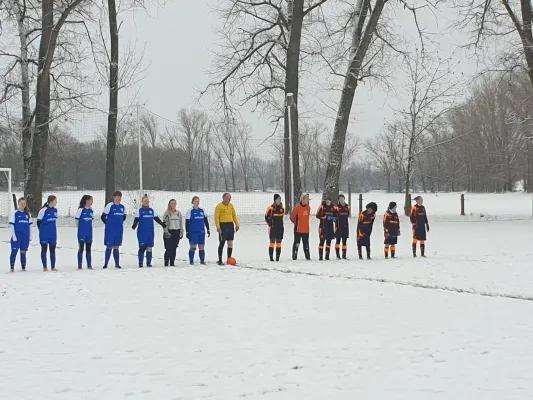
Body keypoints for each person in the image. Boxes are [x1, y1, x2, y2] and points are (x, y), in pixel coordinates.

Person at [132, 195, 166, 268]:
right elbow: (136, 219)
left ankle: (148, 263)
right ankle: (140, 263)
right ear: (142, 202)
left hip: (150, 232)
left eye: (147, 201)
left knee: (149, 248)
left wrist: (162, 224)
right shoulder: (139, 210)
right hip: (142, 232)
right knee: (142, 247)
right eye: (145, 201)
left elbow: (156, 218)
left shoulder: (151, 210)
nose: (146, 202)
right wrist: (134, 225)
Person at [101, 191, 126, 269]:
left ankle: (117, 264)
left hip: (119, 230)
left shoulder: (122, 207)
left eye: (119, 197)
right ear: (113, 197)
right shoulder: (109, 206)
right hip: (110, 230)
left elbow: (124, 217)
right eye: (116, 197)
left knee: (116, 246)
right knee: (109, 246)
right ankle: (105, 264)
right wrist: (108, 224)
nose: (118, 199)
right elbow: (103, 217)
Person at [214, 192, 239, 265]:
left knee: (230, 243)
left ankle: (229, 259)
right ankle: (220, 260)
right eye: (228, 198)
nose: (229, 199)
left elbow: (234, 215)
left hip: (230, 225)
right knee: (222, 243)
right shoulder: (219, 206)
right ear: (224, 198)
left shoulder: (231, 206)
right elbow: (216, 217)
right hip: (223, 225)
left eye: (230, 198)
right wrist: (218, 227)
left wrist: (237, 225)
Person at [9, 197, 32, 272]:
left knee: (23, 252)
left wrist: (30, 235)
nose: (23, 205)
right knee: (14, 251)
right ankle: (12, 267)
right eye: (21, 203)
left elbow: (30, 225)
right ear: (18, 203)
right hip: (17, 236)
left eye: (24, 203)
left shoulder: (27, 213)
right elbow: (12, 225)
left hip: (25, 236)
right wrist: (14, 235)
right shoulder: (15, 213)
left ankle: (23, 267)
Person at [186, 196, 210, 265]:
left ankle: (202, 260)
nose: (197, 202)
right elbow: (187, 222)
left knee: (201, 246)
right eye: (196, 201)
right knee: (193, 247)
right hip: (193, 232)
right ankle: (191, 261)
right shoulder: (190, 211)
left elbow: (206, 220)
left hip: (201, 232)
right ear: (193, 202)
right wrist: (187, 231)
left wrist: (208, 229)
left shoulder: (202, 210)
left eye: (198, 201)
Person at [37, 195, 59, 272]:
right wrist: (42, 230)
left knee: (53, 250)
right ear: (51, 201)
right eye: (55, 201)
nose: (56, 202)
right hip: (44, 234)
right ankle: (45, 267)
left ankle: (53, 267)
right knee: (44, 249)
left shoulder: (55, 210)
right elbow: (38, 221)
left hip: (53, 233)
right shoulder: (43, 210)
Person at [75, 195, 94, 270]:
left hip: (89, 232)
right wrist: (81, 228)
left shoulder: (91, 210)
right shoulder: (80, 210)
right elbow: (76, 221)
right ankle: (79, 265)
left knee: (89, 248)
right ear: (87, 201)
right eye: (91, 200)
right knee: (81, 248)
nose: (92, 202)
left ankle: (89, 265)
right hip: (82, 232)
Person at [290, 193, 311, 260]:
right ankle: (294, 256)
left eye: (308, 199)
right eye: (306, 199)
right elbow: (292, 218)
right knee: (297, 243)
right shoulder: (297, 208)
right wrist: (296, 223)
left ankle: (307, 256)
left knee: (306, 244)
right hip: (298, 229)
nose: (307, 200)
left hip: (306, 229)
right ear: (303, 199)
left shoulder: (308, 208)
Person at [162, 199, 183, 266]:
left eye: (174, 203)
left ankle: (172, 263)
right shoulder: (167, 213)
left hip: (176, 232)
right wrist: (166, 232)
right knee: (169, 248)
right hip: (169, 232)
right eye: (172, 203)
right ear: (169, 204)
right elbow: (164, 224)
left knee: (174, 248)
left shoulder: (178, 213)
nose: (173, 205)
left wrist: (181, 231)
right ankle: (166, 262)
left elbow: (181, 223)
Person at [264, 194, 285, 261]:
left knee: (279, 243)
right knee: (272, 242)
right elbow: (266, 217)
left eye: (280, 199)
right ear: (274, 200)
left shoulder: (282, 208)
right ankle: (271, 257)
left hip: (280, 228)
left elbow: (282, 217)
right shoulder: (270, 208)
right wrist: (270, 224)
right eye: (277, 199)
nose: (278, 201)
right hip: (272, 228)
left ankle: (277, 258)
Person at [334, 194, 350, 259]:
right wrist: (335, 220)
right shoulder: (336, 207)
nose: (341, 200)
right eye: (340, 198)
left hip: (345, 225)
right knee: (338, 240)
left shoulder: (348, 207)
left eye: (342, 198)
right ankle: (338, 255)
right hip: (338, 225)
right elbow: (333, 216)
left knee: (344, 241)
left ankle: (344, 255)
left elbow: (347, 214)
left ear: (344, 199)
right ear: (338, 200)